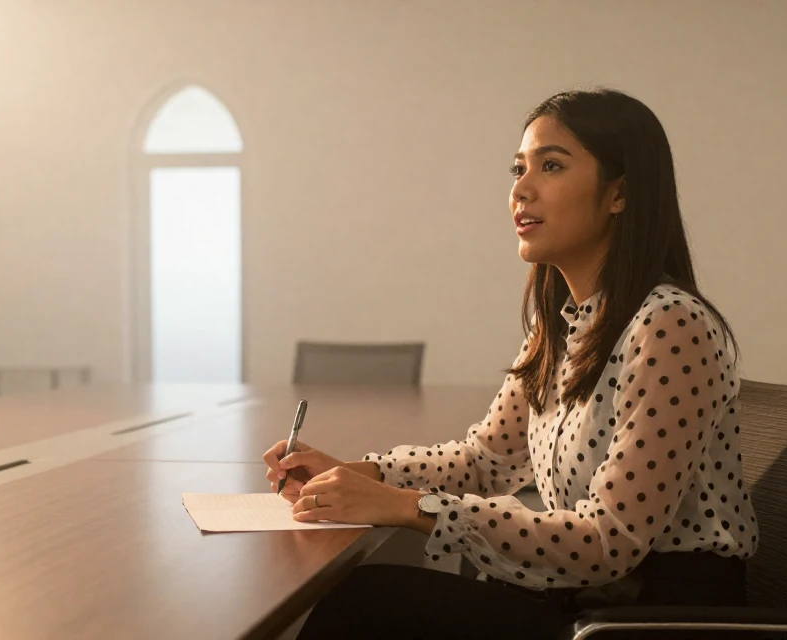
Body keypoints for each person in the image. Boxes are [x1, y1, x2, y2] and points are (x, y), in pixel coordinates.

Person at [262, 87, 758, 639]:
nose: (521, 189)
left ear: (619, 194)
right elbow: (485, 461)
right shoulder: (564, 326)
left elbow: (608, 539)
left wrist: (406, 505)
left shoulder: (669, 325)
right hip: (586, 605)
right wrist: (362, 473)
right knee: (369, 598)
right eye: (518, 169)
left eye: (551, 166)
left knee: (367, 604)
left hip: (652, 623)